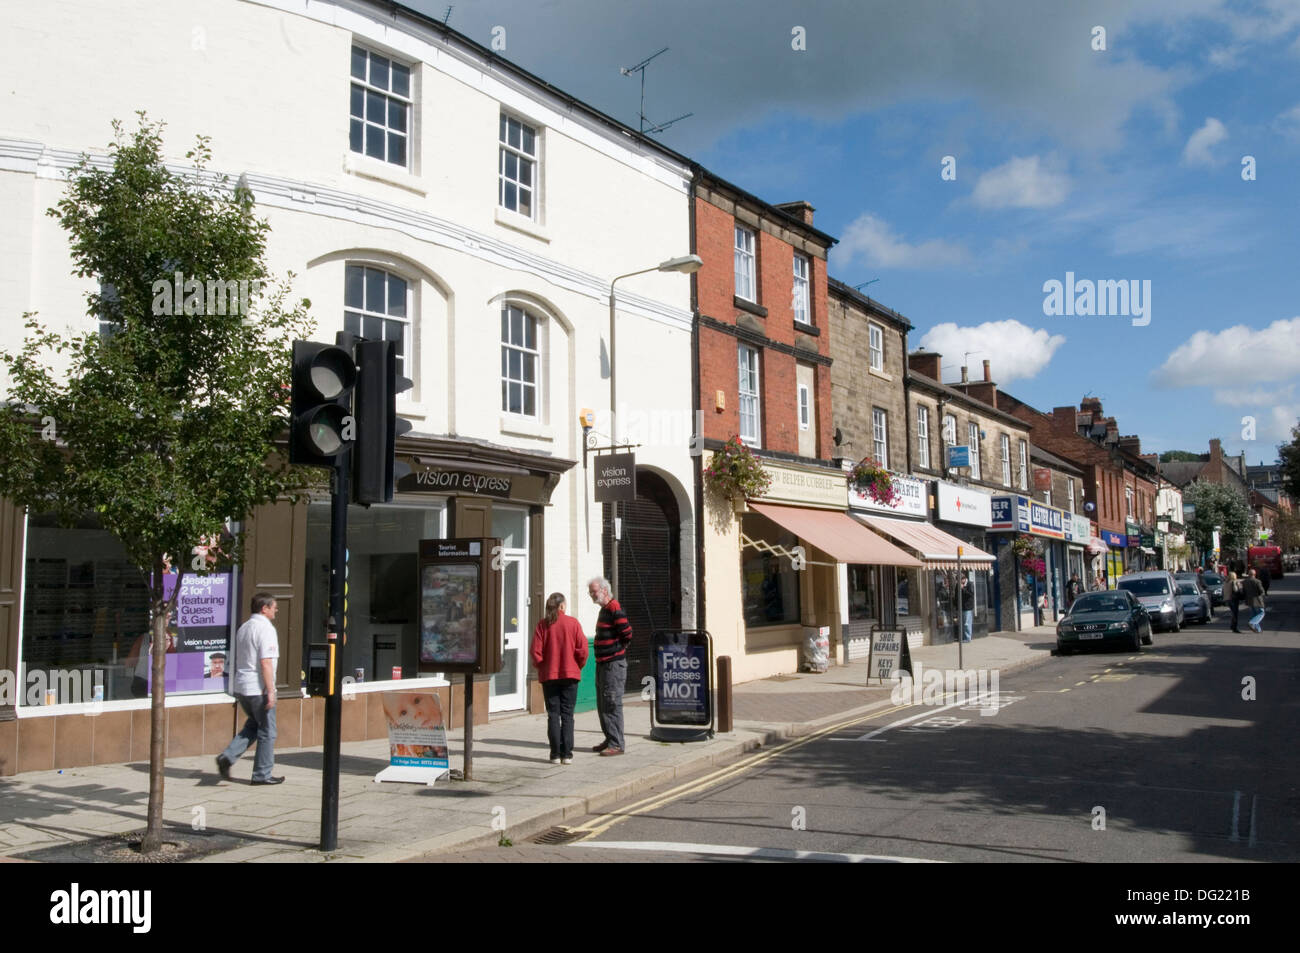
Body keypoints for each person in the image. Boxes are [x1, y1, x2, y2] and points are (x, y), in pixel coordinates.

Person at [216, 593, 283, 784]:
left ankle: (227, 757)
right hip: (258, 688)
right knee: (268, 731)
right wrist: (271, 691)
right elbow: (266, 662)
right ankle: (262, 774)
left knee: (253, 725)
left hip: (242, 686)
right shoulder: (265, 629)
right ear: (264, 608)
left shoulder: (244, 627)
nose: (276, 610)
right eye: (274, 607)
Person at [531, 592, 588, 765]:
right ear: (562, 606)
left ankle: (555, 754)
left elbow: (535, 652)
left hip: (550, 676)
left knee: (553, 715)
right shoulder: (573, 623)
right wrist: (577, 665)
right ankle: (567, 754)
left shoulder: (543, 625)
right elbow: (583, 650)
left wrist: (543, 666)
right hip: (570, 675)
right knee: (568, 715)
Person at [588, 576, 632, 756]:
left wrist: (616, 650)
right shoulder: (604, 609)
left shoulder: (614, 607)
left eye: (594, 591)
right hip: (603, 665)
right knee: (603, 703)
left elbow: (627, 634)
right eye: (590, 591)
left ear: (605, 590)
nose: (591, 595)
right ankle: (610, 738)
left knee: (612, 703)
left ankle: (616, 744)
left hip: (613, 665)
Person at [959, 573, 974, 642]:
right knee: (963, 623)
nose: (959, 581)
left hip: (968, 607)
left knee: (967, 623)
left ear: (964, 579)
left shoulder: (970, 584)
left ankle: (968, 638)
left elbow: (970, 594)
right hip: (962, 607)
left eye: (960, 580)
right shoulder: (960, 585)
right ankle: (964, 637)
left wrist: (963, 589)